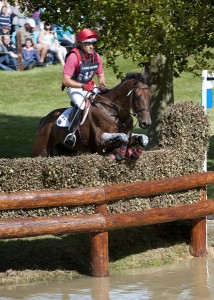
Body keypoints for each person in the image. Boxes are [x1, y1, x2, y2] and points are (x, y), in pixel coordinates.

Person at [62, 28, 106, 147]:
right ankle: (71, 134)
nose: (92, 46)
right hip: (75, 87)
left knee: (104, 102)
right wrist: (83, 85)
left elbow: (101, 75)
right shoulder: (74, 56)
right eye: (88, 44)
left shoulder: (96, 56)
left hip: (90, 87)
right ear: (81, 44)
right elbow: (65, 81)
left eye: (93, 43)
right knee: (82, 105)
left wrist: (101, 84)